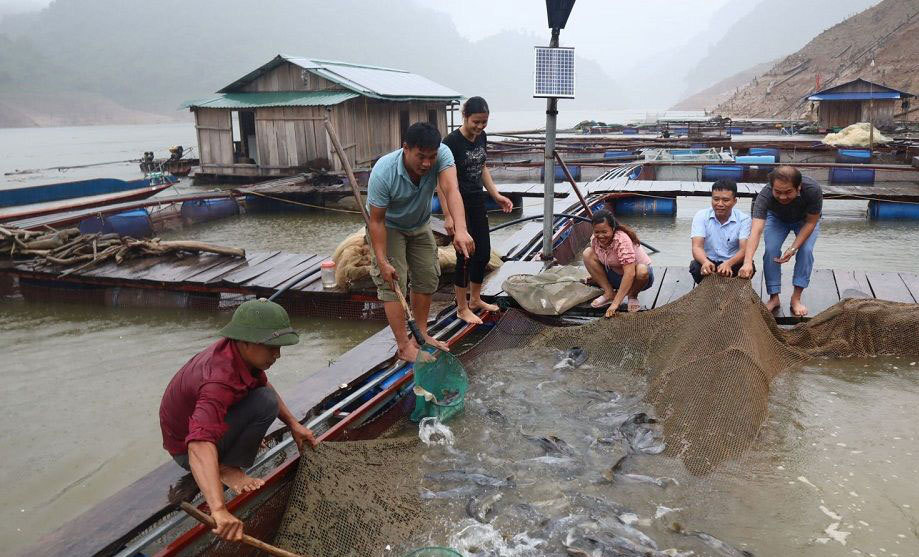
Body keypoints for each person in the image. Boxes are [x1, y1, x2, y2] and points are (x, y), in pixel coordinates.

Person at [159, 299, 316, 542]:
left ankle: (228, 461)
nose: (278, 354)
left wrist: (294, 425)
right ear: (245, 342)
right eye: (271, 347)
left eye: (280, 347)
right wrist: (219, 510)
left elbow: (263, 386)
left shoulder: (239, 355)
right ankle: (227, 468)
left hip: (201, 431)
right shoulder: (217, 380)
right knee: (265, 402)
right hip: (186, 449)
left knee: (265, 398)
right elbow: (198, 444)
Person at [367, 122, 475, 362]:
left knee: (428, 275)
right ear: (405, 148)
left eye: (431, 157)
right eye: (421, 157)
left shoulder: (442, 154)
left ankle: (421, 335)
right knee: (394, 281)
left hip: (420, 223)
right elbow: (376, 221)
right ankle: (404, 346)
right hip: (390, 226)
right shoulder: (384, 172)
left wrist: (461, 230)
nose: (427, 163)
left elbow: (451, 189)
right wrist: (382, 260)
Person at [439, 96, 514, 325]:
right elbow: (441, 183)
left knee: (482, 253)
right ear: (465, 116)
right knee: (465, 255)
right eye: (476, 122)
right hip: (457, 203)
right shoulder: (450, 143)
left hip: (477, 200)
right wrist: (448, 216)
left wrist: (496, 195)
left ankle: (475, 299)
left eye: (484, 122)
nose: (480, 127)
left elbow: (482, 167)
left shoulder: (482, 137)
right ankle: (461, 307)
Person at [738, 166, 822, 317]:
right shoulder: (765, 196)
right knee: (771, 249)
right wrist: (747, 261)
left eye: (788, 192)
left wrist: (793, 248)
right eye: (778, 192)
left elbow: (811, 222)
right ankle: (774, 297)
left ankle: (796, 298)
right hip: (776, 218)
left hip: (805, 220)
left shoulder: (813, 190)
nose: (782, 197)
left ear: (799, 187)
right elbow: (756, 230)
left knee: (806, 250)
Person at [582, 210, 654, 317]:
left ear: (613, 229)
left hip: (638, 279)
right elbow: (597, 260)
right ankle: (609, 293)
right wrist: (595, 277)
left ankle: (632, 295)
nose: (600, 236)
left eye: (604, 232)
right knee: (587, 253)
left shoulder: (622, 240)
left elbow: (630, 274)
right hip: (616, 275)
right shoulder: (594, 240)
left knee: (642, 270)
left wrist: (616, 304)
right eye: (597, 232)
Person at [689, 179, 753, 283]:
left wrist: (728, 264)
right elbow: (697, 247)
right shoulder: (700, 215)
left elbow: (744, 250)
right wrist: (705, 262)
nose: (719, 204)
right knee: (695, 267)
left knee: (749, 268)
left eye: (725, 200)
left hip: (733, 263)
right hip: (710, 262)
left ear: (734, 201)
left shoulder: (744, 219)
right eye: (716, 199)